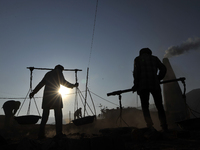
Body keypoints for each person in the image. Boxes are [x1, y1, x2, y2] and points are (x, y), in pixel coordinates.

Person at [29, 64, 79, 139]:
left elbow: (41, 84)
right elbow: (63, 82)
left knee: (45, 116)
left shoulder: (48, 74)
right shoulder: (59, 72)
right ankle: (58, 133)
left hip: (47, 97)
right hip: (55, 96)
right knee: (58, 115)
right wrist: (73, 85)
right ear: (60, 69)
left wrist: (33, 92)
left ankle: (41, 134)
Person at [132, 48, 168, 132]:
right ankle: (164, 126)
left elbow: (136, 73)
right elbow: (163, 68)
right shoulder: (155, 58)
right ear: (150, 53)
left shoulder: (137, 59)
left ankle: (150, 126)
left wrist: (135, 85)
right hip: (155, 85)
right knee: (159, 106)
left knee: (145, 107)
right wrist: (159, 78)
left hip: (143, 86)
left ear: (141, 53)